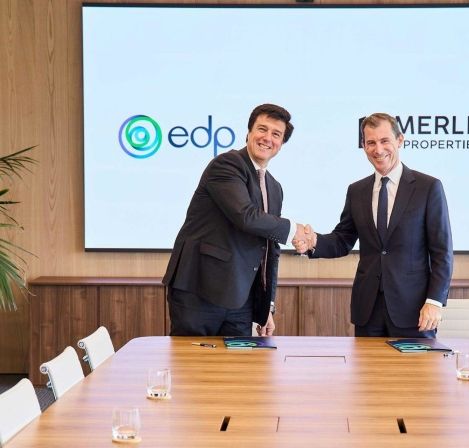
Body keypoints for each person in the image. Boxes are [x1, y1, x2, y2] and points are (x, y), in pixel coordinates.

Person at [295, 113, 453, 338]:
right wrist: (314, 242)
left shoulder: (428, 187)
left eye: (384, 141)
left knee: (416, 364)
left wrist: (434, 301)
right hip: (367, 311)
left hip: (414, 311)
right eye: (371, 143)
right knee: (366, 364)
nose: (378, 150)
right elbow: (343, 239)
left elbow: (442, 252)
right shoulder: (357, 190)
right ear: (364, 146)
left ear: (400, 140)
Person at [163, 104, 309, 337]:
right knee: (191, 359)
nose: (267, 138)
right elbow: (245, 216)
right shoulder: (227, 164)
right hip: (199, 290)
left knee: (239, 360)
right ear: (249, 132)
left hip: (241, 300)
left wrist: (266, 306)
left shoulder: (274, 187)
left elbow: (270, 251)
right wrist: (294, 230)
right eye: (262, 129)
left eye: (276, 134)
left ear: (281, 143)